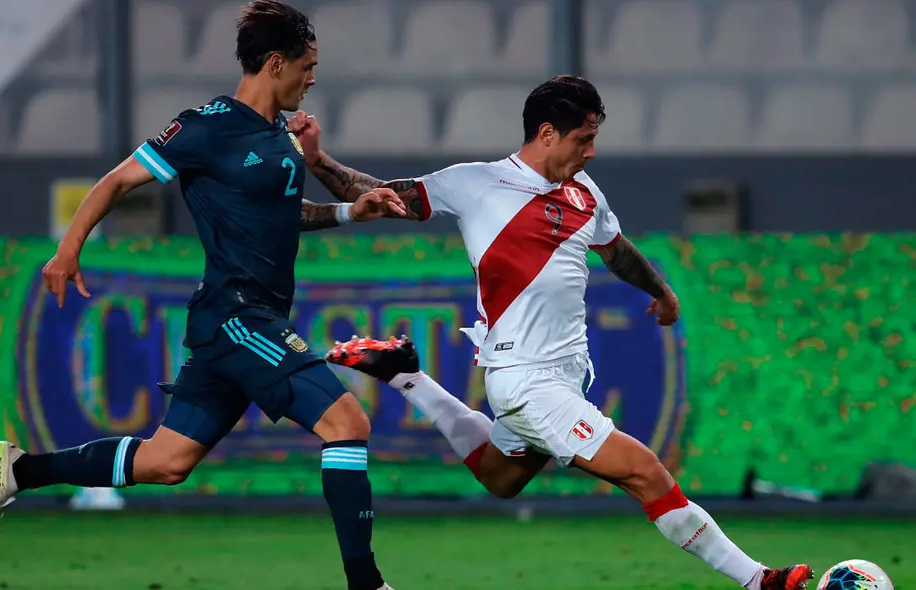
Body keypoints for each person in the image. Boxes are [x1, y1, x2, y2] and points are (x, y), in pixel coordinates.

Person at [292, 75, 813, 590]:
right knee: (646, 473)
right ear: (546, 134)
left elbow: (617, 249)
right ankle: (758, 580)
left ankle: (406, 377)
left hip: (566, 377)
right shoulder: (477, 183)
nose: (590, 152)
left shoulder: (584, 192)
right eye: (582, 139)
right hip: (525, 380)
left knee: (501, 478)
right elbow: (381, 194)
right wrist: (318, 161)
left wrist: (661, 291)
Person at [0, 3, 398, 589]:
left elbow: (281, 218)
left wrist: (348, 211)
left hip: (244, 322)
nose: (313, 78)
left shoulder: (280, 137)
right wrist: (68, 249)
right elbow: (118, 180)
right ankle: (367, 584)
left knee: (166, 463)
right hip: (237, 316)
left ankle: (19, 470)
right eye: (307, 65)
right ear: (276, 63)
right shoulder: (204, 127)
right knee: (346, 423)